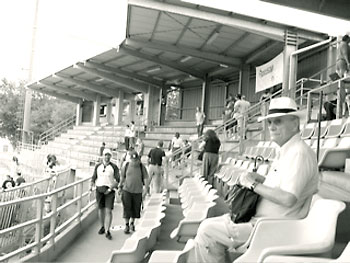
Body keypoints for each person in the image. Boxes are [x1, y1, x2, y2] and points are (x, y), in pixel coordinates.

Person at [188, 97, 319, 263]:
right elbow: (280, 186)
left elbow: (288, 198)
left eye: (277, 122)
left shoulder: (298, 153)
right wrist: (261, 179)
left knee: (207, 231)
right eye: (270, 122)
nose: (271, 127)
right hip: (262, 222)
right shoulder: (288, 151)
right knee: (209, 228)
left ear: (294, 123)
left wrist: (253, 184)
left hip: (272, 227)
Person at [90, 149, 120, 240]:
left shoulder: (113, 167)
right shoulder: (98, 166)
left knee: (108, 210)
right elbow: (94, 177)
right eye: (105, 155)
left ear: (110, 157)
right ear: (103, 156)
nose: (107, 157)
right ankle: (102, 226)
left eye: (108, 155)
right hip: (99, 189)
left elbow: (118, 180)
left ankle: (107, 230)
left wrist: (111, 188)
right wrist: (91, 185)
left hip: (109, 190)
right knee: (100, 209)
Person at [118, 151, 149, 234]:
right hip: (127, 190)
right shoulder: (126, 166)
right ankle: (126, 224)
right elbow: (122, 177)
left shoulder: (142, 167)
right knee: (127, 208)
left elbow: (146, 178)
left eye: (136, 159)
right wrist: (120, 186)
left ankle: (132, 223)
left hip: (138, 191)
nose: (135, 161)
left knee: (135, 209)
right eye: (133, 159)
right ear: (130, 158)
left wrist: (146, 189)